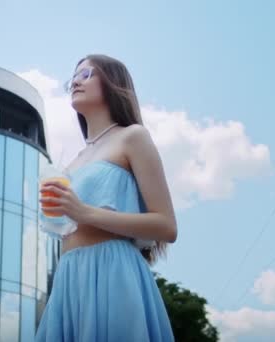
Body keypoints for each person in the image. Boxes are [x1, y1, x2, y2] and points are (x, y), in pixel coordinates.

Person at [35, 54, 177, 341]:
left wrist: (83, 212)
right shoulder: (72, 163)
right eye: (72, 78)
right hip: (69, 277)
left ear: (113, 83)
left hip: (113, 271)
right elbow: (64, 224)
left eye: (86, 74)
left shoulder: (132, 137)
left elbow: (166, 226)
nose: (75, 81)